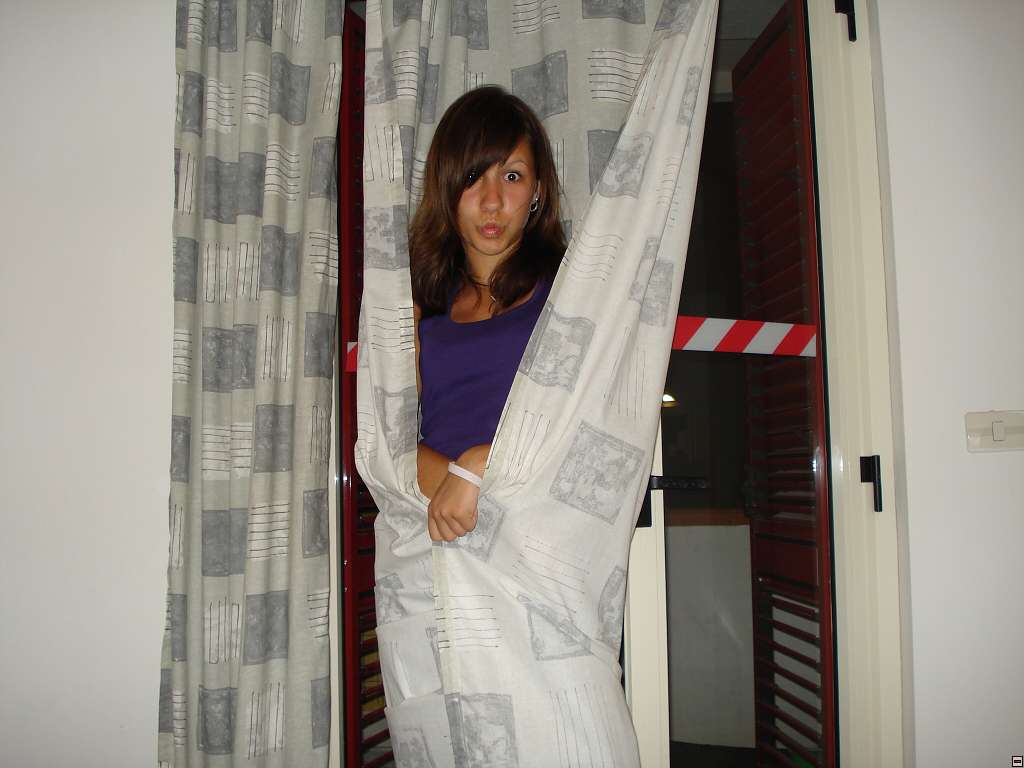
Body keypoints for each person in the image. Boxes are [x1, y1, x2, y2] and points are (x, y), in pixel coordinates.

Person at [409, 85, 566, 539]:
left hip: (540, 537)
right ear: (446, 187)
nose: (492, 201)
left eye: (512, 176)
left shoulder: (569, 294)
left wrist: (481, 466)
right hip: (432, 531)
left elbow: (585, 431)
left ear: (537, 190)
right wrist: (461, 479)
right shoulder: (419, 302)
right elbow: (386, 444)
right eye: (473, 176)